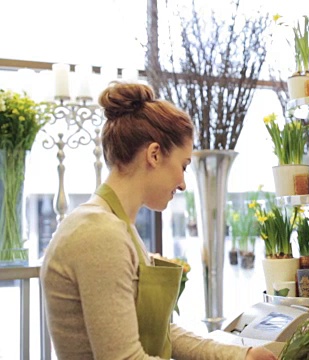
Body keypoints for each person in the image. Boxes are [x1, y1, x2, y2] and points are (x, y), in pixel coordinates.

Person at [41, 82, 276, 360]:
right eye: (183, 166)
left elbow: (162, 332)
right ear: (154, 154)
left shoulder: (116, 227)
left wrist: (242, 356)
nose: (183, 183)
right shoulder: (100, 234)